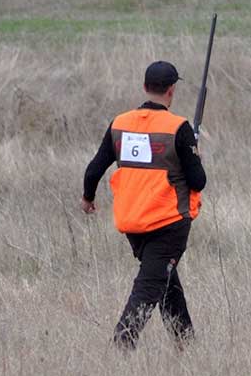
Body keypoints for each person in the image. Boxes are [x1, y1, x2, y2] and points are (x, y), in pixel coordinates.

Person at [81, 60, 206, 350]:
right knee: (149, 287)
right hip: (168, 223)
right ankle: (121, 345)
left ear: (144, 87)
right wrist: (195, 153)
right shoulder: (179, 128)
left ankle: (186, 345)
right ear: (172, 90)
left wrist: (88, 198)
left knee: (165, 281)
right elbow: (198, 181)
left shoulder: (120, 123)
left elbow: (93, 170)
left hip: (133, 224)